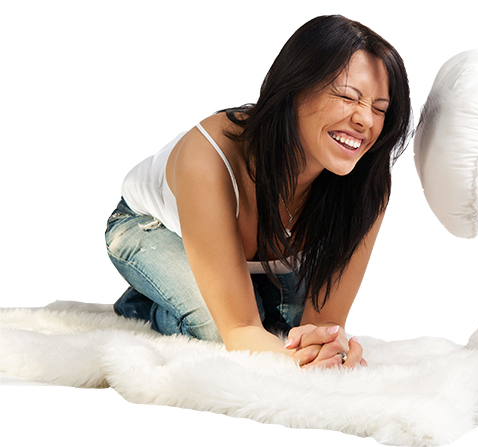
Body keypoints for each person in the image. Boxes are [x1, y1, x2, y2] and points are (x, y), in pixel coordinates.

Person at [105, 15, 412, 369]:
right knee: (218, 329)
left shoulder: (367, 185)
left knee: (287, 329)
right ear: (296, 87)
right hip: (149, 227)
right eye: (348, 97)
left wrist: (331, 351)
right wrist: (297, 365)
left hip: (249, 260)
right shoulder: (207, 158)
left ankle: (242, 290)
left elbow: (324, 324)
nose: (366, 121)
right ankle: (143, 304)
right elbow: (240, 329)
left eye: (380, 109)